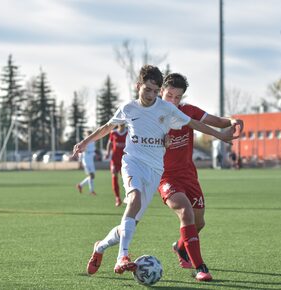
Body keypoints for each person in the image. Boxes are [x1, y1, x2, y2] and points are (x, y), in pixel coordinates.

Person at [73, 65, 239, 281]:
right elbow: (107, 127)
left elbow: (196, 124)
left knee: (131, 223)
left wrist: (221, 134)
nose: (151, 95)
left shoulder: (167, 110)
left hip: (155, 171)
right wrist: (85, 142)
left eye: (154, 90)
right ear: (138, 86)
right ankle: (123, 257)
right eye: (148, 90)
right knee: (135, 199)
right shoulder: (129, 108)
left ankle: (101, 246)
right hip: (134, 164)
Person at [158, 73, 244, 281]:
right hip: (166, 177)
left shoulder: (188, 112)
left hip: (189, 176)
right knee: (185, 212)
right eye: (169, 95)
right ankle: (200, 268)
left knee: (199, 223)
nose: (173, 101)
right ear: (161, 92)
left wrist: (233, 121)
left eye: (177, 97)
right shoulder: (152, 116)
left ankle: (180, 246)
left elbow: (217, 122)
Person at [105, 124, 128, 207]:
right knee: (114, 176)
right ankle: (117, 198)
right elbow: (109, 143)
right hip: (114, 160)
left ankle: (128, 195)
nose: (121, 124)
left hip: (125, 160)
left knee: (126, 178)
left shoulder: (128, 132)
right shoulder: (113, 132)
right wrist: (107, 153)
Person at [76, 130, 97, 195]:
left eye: (91, 133)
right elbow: (80, 152)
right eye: (89, 134)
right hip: (86, 159)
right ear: (86, 135)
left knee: (92, 176)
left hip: (91, 160)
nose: (91, 135)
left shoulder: (93, 141)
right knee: (91, 175)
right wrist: (80, 161)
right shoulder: (84, 142)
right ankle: (91, 191)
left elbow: (93, 150)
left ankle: (80, 185)